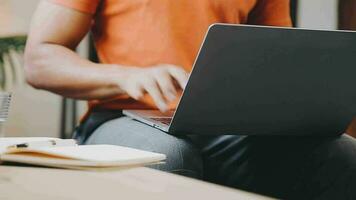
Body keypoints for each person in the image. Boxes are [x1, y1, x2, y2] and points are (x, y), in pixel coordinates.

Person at [24, 0, 356, 199]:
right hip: (122, 118)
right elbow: (39, 60)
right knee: (166, 155)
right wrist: (125, 76)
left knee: (341, 153)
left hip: (229, 129)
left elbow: (277, 57)